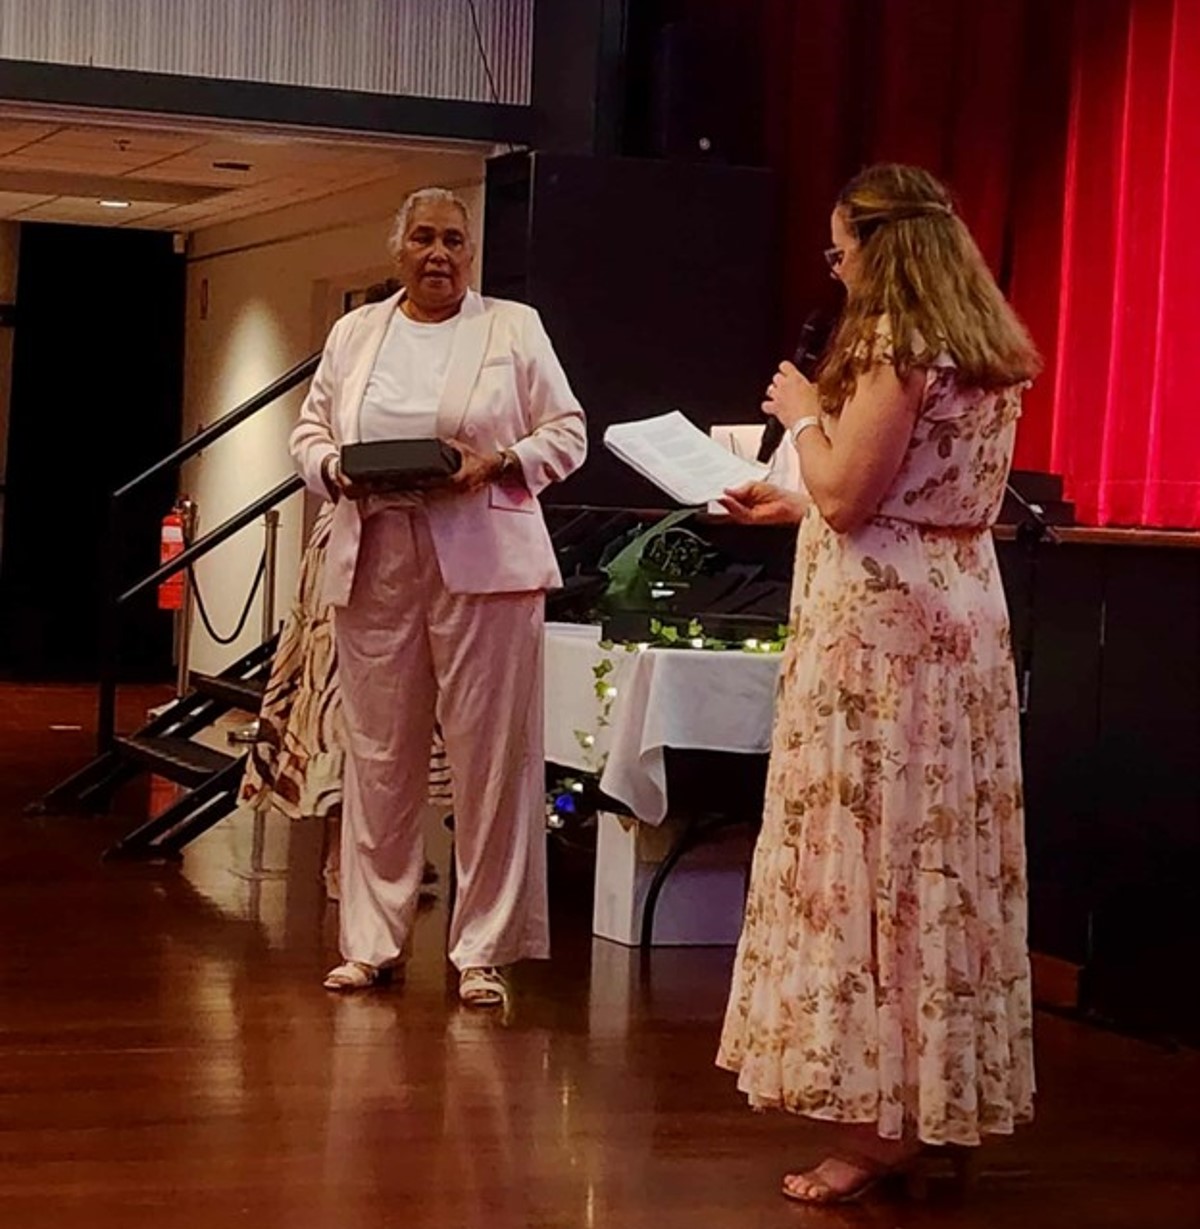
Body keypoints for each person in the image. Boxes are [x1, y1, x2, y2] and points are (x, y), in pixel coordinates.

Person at [716, 164, 1039, 1203]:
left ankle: (871, 1125)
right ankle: (935, 1095)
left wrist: (804, 413)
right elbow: (893, 490)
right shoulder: (984, 344)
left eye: (840, 247)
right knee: (939, 856)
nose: (835, 265)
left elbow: (854, 494)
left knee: (874, 856)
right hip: (956, 623)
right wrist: (793, 500)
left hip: (881, 648)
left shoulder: (898, 338)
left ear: (881, 244)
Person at [290, 186, 587, 1005]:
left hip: (485, 559)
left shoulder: (512, 327)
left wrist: (493, 463)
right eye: (423, 238)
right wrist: (335, 470)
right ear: (398, 250)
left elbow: (568, 432)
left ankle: (482, 949)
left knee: (489, 758)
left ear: (472, 254)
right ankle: (370, 941)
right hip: (376, 550)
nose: (438, 255)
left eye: (454, 240)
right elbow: (309, 433)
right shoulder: (355, 333)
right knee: (379, 756)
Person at [238, 501, 451, 901]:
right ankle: (346, 862)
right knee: (343, 706)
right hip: (354, 539)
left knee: (383, 708)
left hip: (390, 538)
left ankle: (379, 857)